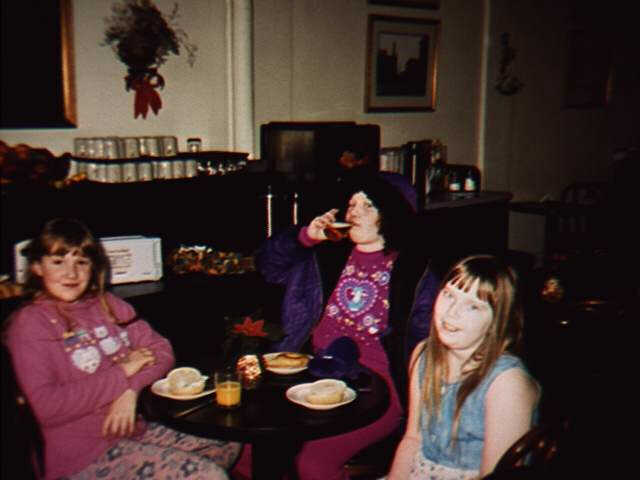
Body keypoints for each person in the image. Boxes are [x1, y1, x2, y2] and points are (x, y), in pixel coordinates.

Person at [233, 172, 440, 480]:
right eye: (351, 204)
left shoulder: (416, 272)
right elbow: (267, 266)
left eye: (367, 205)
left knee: (312, 465)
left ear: (392, 214)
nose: (354, 212)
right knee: (248, 453)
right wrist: (305, 236)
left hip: (378, 387)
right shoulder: (324, 257)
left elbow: (428, 343)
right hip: (312, 370)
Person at [3, 218, 240, 480]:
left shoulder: (106, 303)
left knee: (227, 442)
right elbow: (46, 407)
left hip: (131, 433)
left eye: (81, 262)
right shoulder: (30, 324)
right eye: (58, 262)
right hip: (80, 457)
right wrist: (122, 372)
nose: (71, 273)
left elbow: (161, 350)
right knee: (208, 475)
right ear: (37, 267)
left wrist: (130, 390)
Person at [387, 255, 540, 480]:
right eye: (449, 295)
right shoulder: (424, 355)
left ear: (497, 321)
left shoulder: (507, 384)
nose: (451, 312)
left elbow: (495, 475)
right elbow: (413, 439)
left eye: (473, 307)